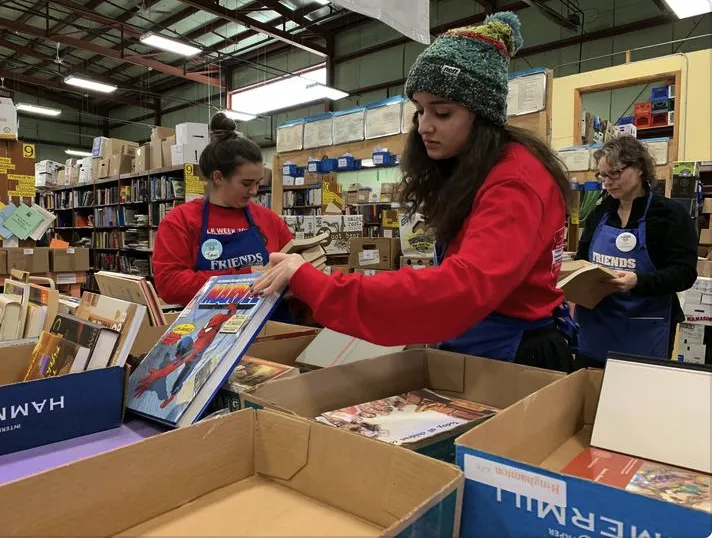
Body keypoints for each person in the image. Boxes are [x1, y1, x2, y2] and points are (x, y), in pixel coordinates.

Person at [251, 12, 577, 372]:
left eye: (442, 113)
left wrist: (323, 288)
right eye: (419, 111)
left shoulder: (516, 181)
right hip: (481, 343)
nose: (424, 126)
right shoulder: (474, 170)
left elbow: (463, 288)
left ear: (482, 116)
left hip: (516, 357)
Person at [152, 112, 294, 318]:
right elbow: (170, 285)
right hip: (212, 330)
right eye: (246, 184)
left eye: (258, 182)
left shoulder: (269, 220)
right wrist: (247, 277)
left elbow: (294, 265)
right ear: (218, 177)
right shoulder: (180, 221)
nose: (254, 191)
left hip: (272, 327)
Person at [573, 136, 697, 367]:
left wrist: (638, 281)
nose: (607, 182)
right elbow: (582, 259)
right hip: (596, 325)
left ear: (639, 168)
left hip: (644, 329)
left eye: (615, 173)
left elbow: (684, 272)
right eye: (602, 176)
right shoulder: (599, 214)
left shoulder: (669, 215)